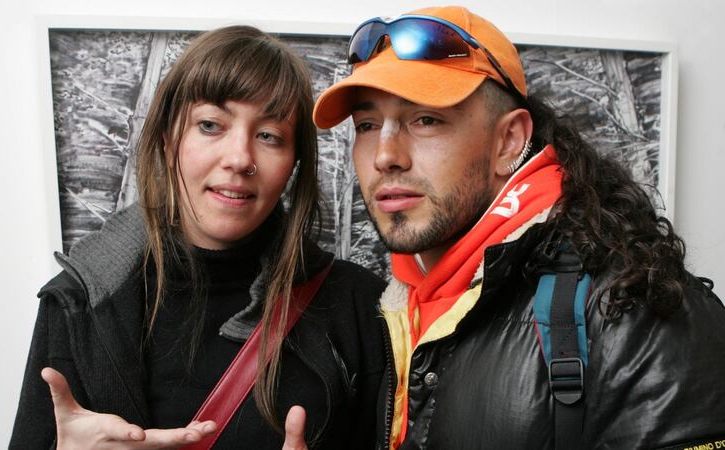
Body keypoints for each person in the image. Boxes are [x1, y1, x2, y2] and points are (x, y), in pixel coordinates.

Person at [307, 5, 725, 449]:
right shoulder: (404, 303)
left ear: (508, 142)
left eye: (425, 120)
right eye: (368, 125)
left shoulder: (635, 305)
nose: (384, 155)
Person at [10, 25, 386, 449]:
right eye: (210, 125)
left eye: (269, 136)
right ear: (170, 138)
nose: (240, 158)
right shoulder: (81, 302)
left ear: (293, 160)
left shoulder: (360, 308)